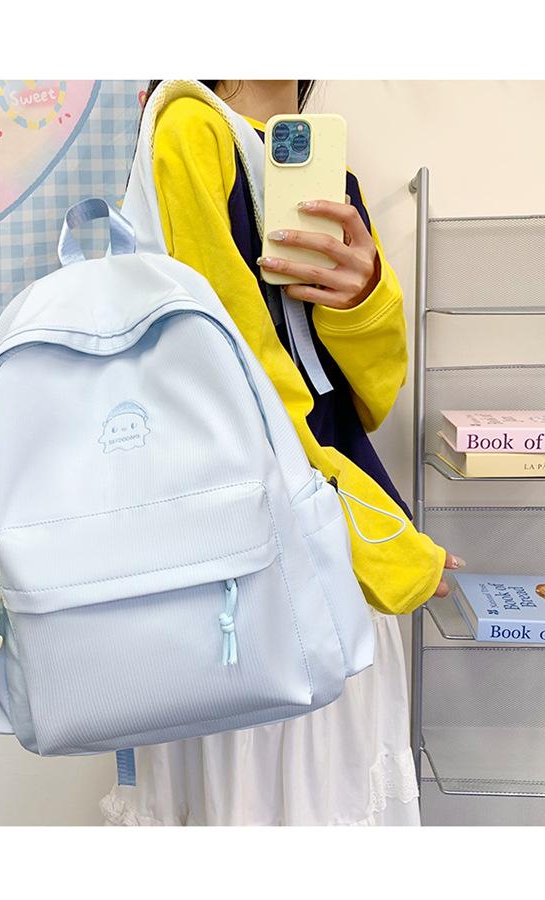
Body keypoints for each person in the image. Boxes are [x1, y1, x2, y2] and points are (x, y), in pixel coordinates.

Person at [100, 79, 464, 826]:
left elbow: (366, 398)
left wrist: (364, 299)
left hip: (323, 550)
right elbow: (235, 379)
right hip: (261, 573)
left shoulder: (325, 174)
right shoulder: (190, 129)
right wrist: (385, 549)